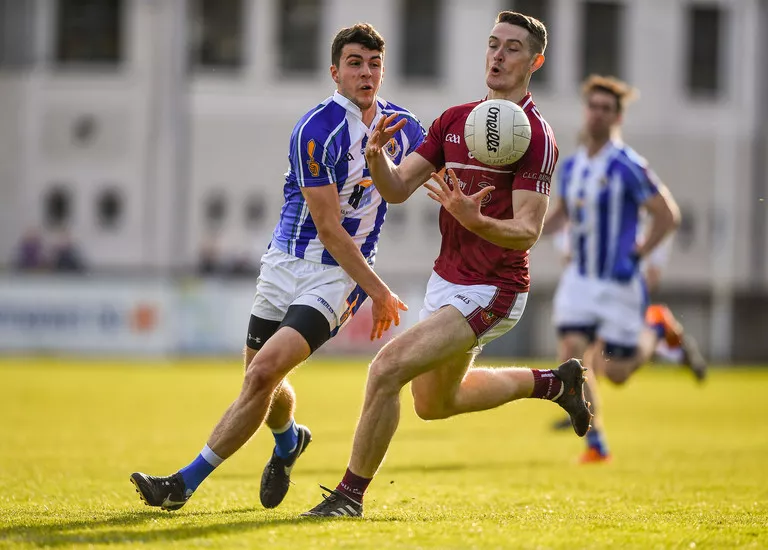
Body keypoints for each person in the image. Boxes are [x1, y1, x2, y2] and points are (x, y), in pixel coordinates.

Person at [303, 11, 591, 518]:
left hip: (494, 289)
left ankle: (348, 498)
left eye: (513, 49)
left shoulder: (537, 138)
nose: (498, 56)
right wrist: (376, 161)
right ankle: (555, 383)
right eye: (493, 44)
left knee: (386, 369)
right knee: (433, 404)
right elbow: (395, 190)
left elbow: (528, 230)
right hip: (447, 280)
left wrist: (472, 219)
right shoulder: (455, 120)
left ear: (535, 62)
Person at [130, 23, 426, 511]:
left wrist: (469, 206)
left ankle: (181, 484)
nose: (366, 72)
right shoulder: (316, 129)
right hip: (284, 265)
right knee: (262, 383)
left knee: (261, 373)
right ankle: (289, 442)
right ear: (335, 71)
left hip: (337, 277)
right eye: (355, 63)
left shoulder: (404, 126)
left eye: (374, 63)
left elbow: (421, 179)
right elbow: (328, 225)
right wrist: (381, 292)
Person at [541, 75, 692, 463]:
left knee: (618, 372)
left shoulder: (629, 166)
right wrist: (521, 230)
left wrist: (640, 253)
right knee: (572, 357)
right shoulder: (573, 167)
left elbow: (667, 215)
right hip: (580, 279)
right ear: (585, 110)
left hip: (619, 282)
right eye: (592, 106)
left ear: (617, 117)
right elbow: (560, 217)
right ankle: (597, 443)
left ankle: (655, 327)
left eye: (606, 109)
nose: (597, 114)